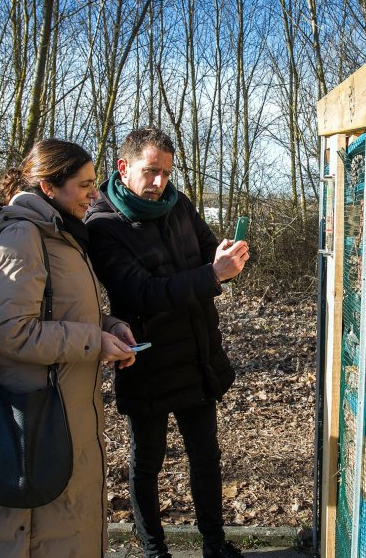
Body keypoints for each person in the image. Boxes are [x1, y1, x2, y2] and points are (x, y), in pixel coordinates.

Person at [86, 127, 250, 558]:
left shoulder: (177, 204)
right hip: (146, 359)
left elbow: (205, 249)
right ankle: (154, 549)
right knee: (147, 462)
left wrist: (224, 255)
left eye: (166, 172)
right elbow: (142, 293)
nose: (160, 182)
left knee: (206, 456)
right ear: (124, 168)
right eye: (151, 171)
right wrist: (212, 274)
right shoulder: (103, 224)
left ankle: (215, 544)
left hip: (196, 352)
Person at [0, 139, 138, 557]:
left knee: (70, 529)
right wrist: (92, 341)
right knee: (37, 534)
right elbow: (11, 330)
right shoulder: (20, 237)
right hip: (33, 418)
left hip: (67, 407)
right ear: (49, 187)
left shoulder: (60, 233)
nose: (95, 194)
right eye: (84, 185)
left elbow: (64, 310)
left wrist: (111, 327)